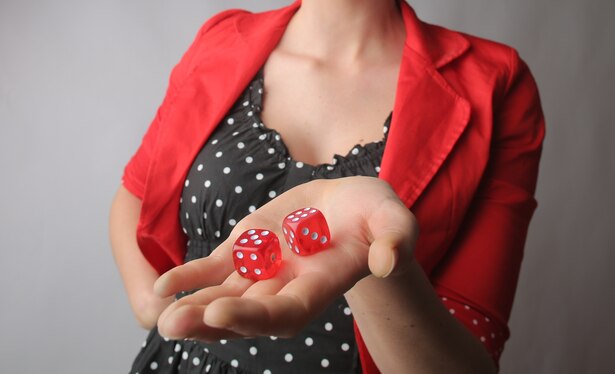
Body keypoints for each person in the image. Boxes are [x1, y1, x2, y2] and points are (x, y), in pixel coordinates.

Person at [109, 0, 546, 373]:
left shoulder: (496, 82)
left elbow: (470, 356)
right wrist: (156, 308)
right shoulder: (222, 39)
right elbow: (136, 191)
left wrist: (372, 259)